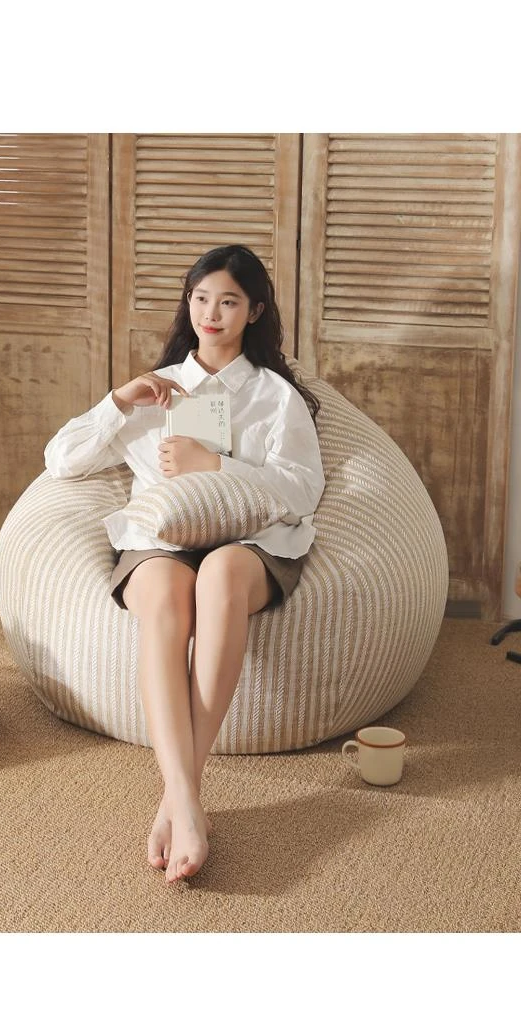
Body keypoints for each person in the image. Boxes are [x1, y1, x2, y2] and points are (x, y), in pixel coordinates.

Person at [44, 244, 325, 885]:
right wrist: (120, 400)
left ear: (255, 311)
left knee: (220, 573)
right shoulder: (157, 389)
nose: (211, 314)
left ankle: (178, 799)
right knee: (170, 593)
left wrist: (216, 465)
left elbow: (303, 489)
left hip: (251, 543)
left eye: (228, 302)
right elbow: (60, 460)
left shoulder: (274, 396)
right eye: (200, 299)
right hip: (160, 541)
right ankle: (187, 799)